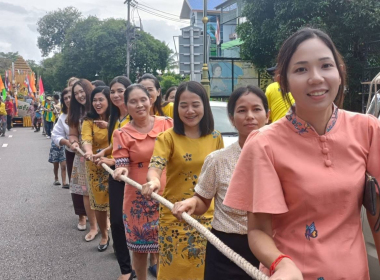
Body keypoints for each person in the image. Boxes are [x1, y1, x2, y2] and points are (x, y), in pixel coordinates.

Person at [224, 28, 380, 279]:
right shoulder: (264, 144)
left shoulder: (369, 130)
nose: (316, 78)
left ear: (339, 73)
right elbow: (258, 231)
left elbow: (377, 215)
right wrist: (281, 263)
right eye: (301, 69)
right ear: (282, 81)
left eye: (326, 65)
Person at [172, 85, 268, 279]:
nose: (250, 116)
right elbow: (202, 201)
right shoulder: (217, 160)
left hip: (270, 250)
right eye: (242, 110)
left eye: (256, 109)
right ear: (231, 118)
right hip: (225, 250)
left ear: (268, 115)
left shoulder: (283, 159)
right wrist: (191, 203)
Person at [142, 81, 224, 279]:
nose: (190, 111)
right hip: (175, 215)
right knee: (174, 272)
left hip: (208, 217)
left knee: (205, 272)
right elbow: (155, 167)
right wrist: (153, 182)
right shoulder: (167, 138)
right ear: (176, 107)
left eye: (195, 104)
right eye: (183, 105)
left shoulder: (216, 138)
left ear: (204, 105)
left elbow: (221, 180)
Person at [112, 84, 173, 280]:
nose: (139, 105)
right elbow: (121, 162)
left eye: (143, 100)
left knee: (166, 245)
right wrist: (120, 170)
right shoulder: (121, 133)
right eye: (133, 101)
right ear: (126, 105)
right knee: (139, 249)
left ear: (150, 100)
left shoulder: (167, 124)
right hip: (137, 197)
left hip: (168, 193)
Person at [93, 76, 134, 280]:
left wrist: (112, 161)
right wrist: (104, 153)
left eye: (121, 90)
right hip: (116, 176)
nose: (116, 95)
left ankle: (150, 262)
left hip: (136, 175)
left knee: (140, 222)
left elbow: (136, 147)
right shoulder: (114, 118)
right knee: (117, 221)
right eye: (113, 91)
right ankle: (126, 269)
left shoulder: (136, 117)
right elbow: (116, 143)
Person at [81, 86, 111, 252]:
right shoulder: (88, 120)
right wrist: (88, 152)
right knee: (99, 205)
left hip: (116, 166)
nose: (97, 103)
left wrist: (109, 126)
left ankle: (120, 242)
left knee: (117, 206)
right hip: (95, 166)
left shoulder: (117, 118)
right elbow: (86, 138)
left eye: (101, 99)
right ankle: (105, 235)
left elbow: (121, 137)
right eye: (94, 100)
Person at [68, 79, 98, 239]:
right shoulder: (75, 112)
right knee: (87, 193)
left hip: (102, 156)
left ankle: (105, 223)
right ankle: (93, 227)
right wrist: (73, 141)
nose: (80, 95)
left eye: (81, 91)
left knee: (104, 191)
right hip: (82, 158)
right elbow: (72, 133)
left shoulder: (100, 105)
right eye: (76, 93)